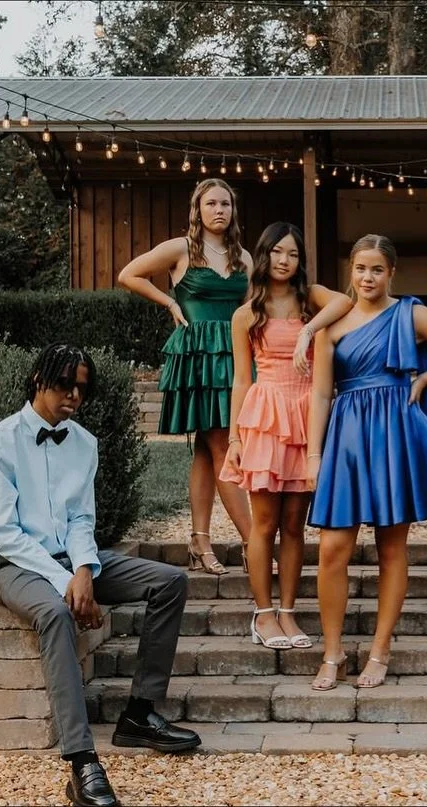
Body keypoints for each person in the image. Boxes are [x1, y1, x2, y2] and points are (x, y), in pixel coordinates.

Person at [0, 344, 200, 807]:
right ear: (39, 378)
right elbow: (6, 534)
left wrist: (82, 569)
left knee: (169, 581)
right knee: (57, 614)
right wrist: (67, 584)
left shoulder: (84, 443)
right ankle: (81, 762)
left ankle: (139, 714)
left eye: (83, 387)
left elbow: (81, 521)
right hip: (10, 563)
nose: (75, 395)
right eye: (65, 384)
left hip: (71, 559)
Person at [306, 234, 427, 690]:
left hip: (394, 432)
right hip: (346, 433)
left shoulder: (412, 314)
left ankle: (380, 650)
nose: (368, 277)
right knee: (332, 549)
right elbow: (322, 392)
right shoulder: (334, 322)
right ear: (351, 271)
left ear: (391, 273)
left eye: (377, 270)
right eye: (361, 268)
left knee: (391, 546)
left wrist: (425, 377)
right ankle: (333, 652)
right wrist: (313, 452)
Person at [117, 178, 266, 576]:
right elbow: (128, 274)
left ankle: (200, 540)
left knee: (207, 446)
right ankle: (256, 543)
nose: (220, 210)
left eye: (226, 204)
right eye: (211, 203)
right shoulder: (180, 248)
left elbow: (252, 311)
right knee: (221, 445)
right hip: (197, 355)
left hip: (232, 357)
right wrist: (169, 302)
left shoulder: (244, 258)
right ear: (197, 209)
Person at [220, 221, 353, 649]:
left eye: (293, 254)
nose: (284, 260)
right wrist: (236, 439)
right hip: (265, 414)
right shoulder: (246, 314)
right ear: (264, 255)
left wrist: (310, 330)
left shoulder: (311, 299)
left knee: (295, 525)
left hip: (305, 414)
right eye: (277, 252)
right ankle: (263, 614)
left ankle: (289, 612)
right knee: (263, 524)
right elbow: (241, 380)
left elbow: (347, 300)